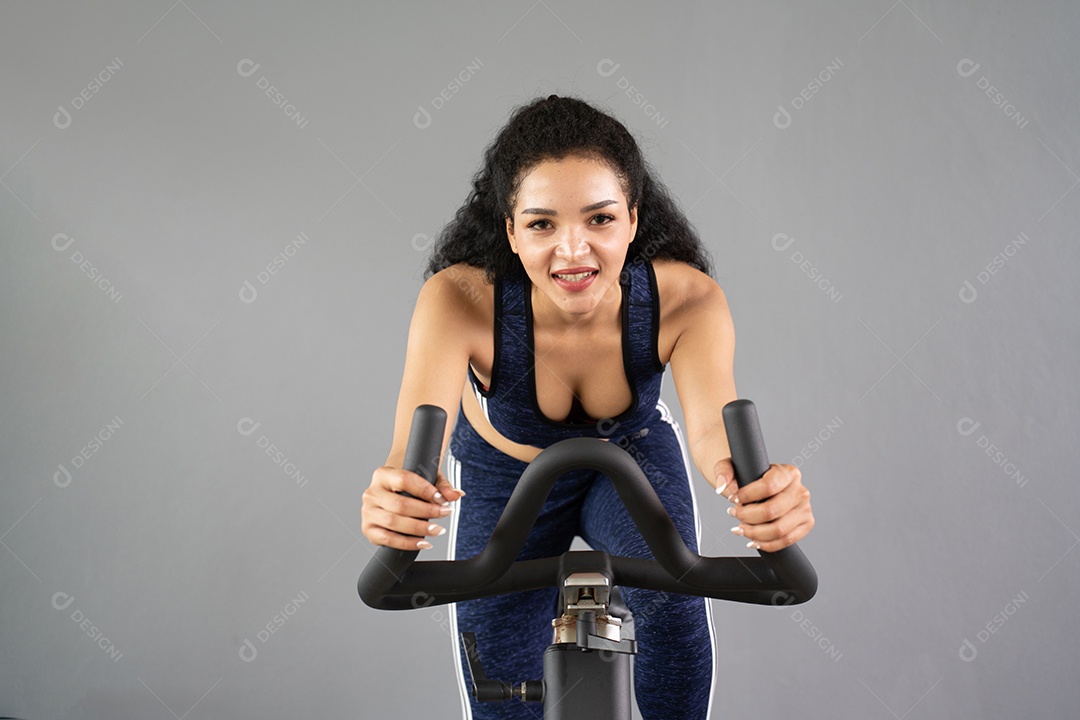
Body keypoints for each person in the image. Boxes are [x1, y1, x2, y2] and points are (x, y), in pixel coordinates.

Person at [361, 94, 815, 720]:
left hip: (626, 464)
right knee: (497, 677)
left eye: (599, 220)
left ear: (632, 219)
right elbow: (412, 448)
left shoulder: (686, 298)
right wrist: (396, 496)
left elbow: (713, 430)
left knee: (674, 619)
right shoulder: (460, 299)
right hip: (503, 479)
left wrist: (760, 492)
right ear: (511, 231)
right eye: (543, 224)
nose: (573, 253)